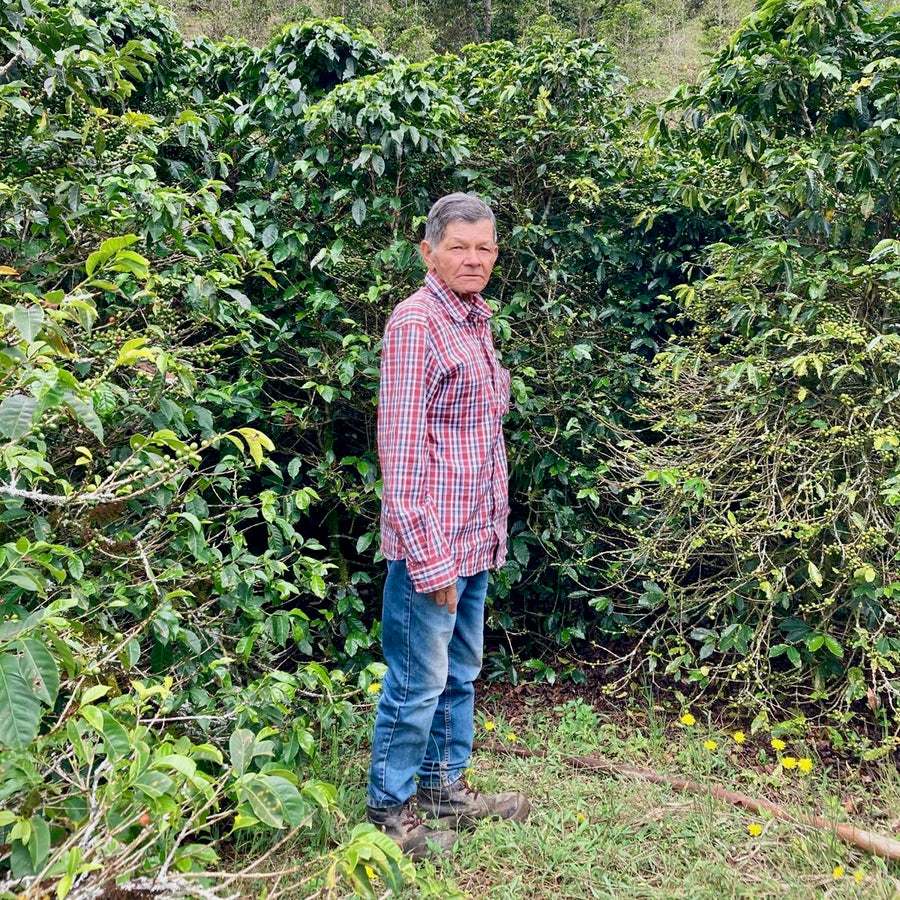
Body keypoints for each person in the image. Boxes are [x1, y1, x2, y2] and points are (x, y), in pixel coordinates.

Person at [366, 193, 530, 858]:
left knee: (459, 673)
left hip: (473, 539)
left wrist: (482, 542)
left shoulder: (473, 320)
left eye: (483, 247)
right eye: (458, 246)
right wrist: (432, 565)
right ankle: (389, 811)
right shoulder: (416, 323)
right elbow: (401, 458)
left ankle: (442, 789)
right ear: (429, 251)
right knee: (417, 682)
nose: (472, 258)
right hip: (430, 548)